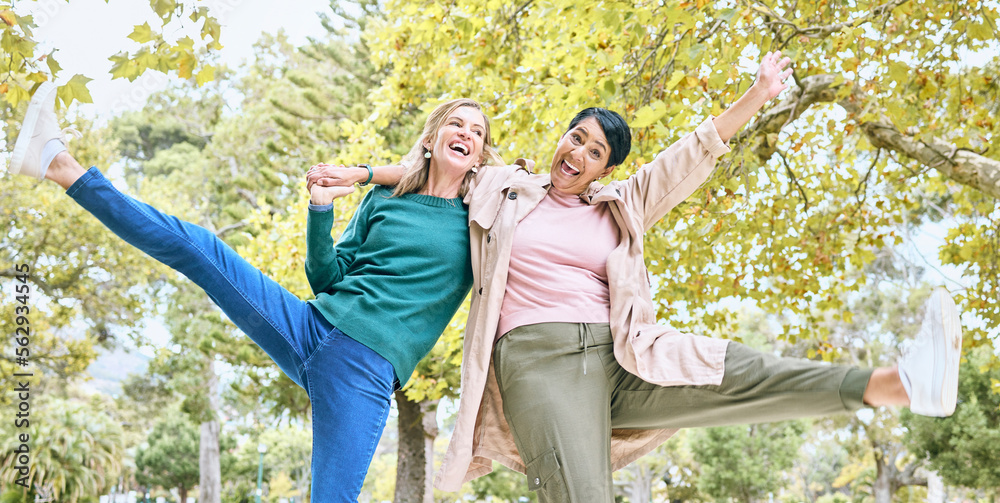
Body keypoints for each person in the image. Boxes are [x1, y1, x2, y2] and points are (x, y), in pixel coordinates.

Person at [309, 51, 963, 501]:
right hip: (538, 363)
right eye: (576, 137)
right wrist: (361, 176)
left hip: (626, 350)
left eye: (596, 151)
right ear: (560, 138)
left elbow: (692, 154)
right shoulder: (503, 187)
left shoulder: (621, 204)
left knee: (743, 372)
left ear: (603, 168)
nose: (579, 152)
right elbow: (435, 168)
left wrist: (758, 94)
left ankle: (901, 383)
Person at [6, 88, 504, 500]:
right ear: (433, 136)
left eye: (477, 132)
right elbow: (328, 278)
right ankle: (58, 164)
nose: (467, 134)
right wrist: (320, 210)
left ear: (481, 155)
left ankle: (55, 161)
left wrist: (362, 170)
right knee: (200, 248)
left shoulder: (483, 219)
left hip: (365, 370)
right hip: (310, 326)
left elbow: (531, 186)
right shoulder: (385, 200)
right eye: (457, 124)